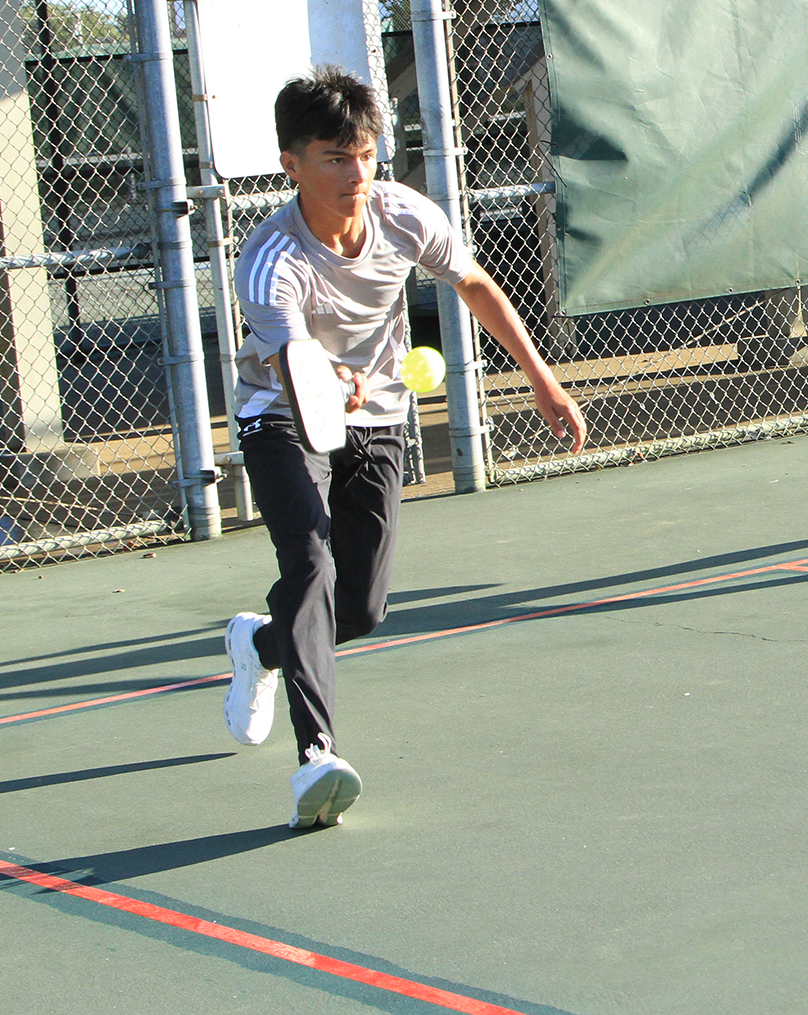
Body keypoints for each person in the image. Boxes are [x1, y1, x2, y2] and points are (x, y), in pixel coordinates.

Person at [222, 66, 586, 829]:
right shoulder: (269, 260)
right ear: (291, 165)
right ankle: (316, 757)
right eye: (334, 157)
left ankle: (262, 642)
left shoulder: (402, 214)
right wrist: (331, 384)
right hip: (281, 414)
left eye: (365, 153)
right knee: (311, 564)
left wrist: (542, 380)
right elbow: (293, 365)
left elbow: (475, 283)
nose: (356, 172)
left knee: (360, 607)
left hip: (380, 415)